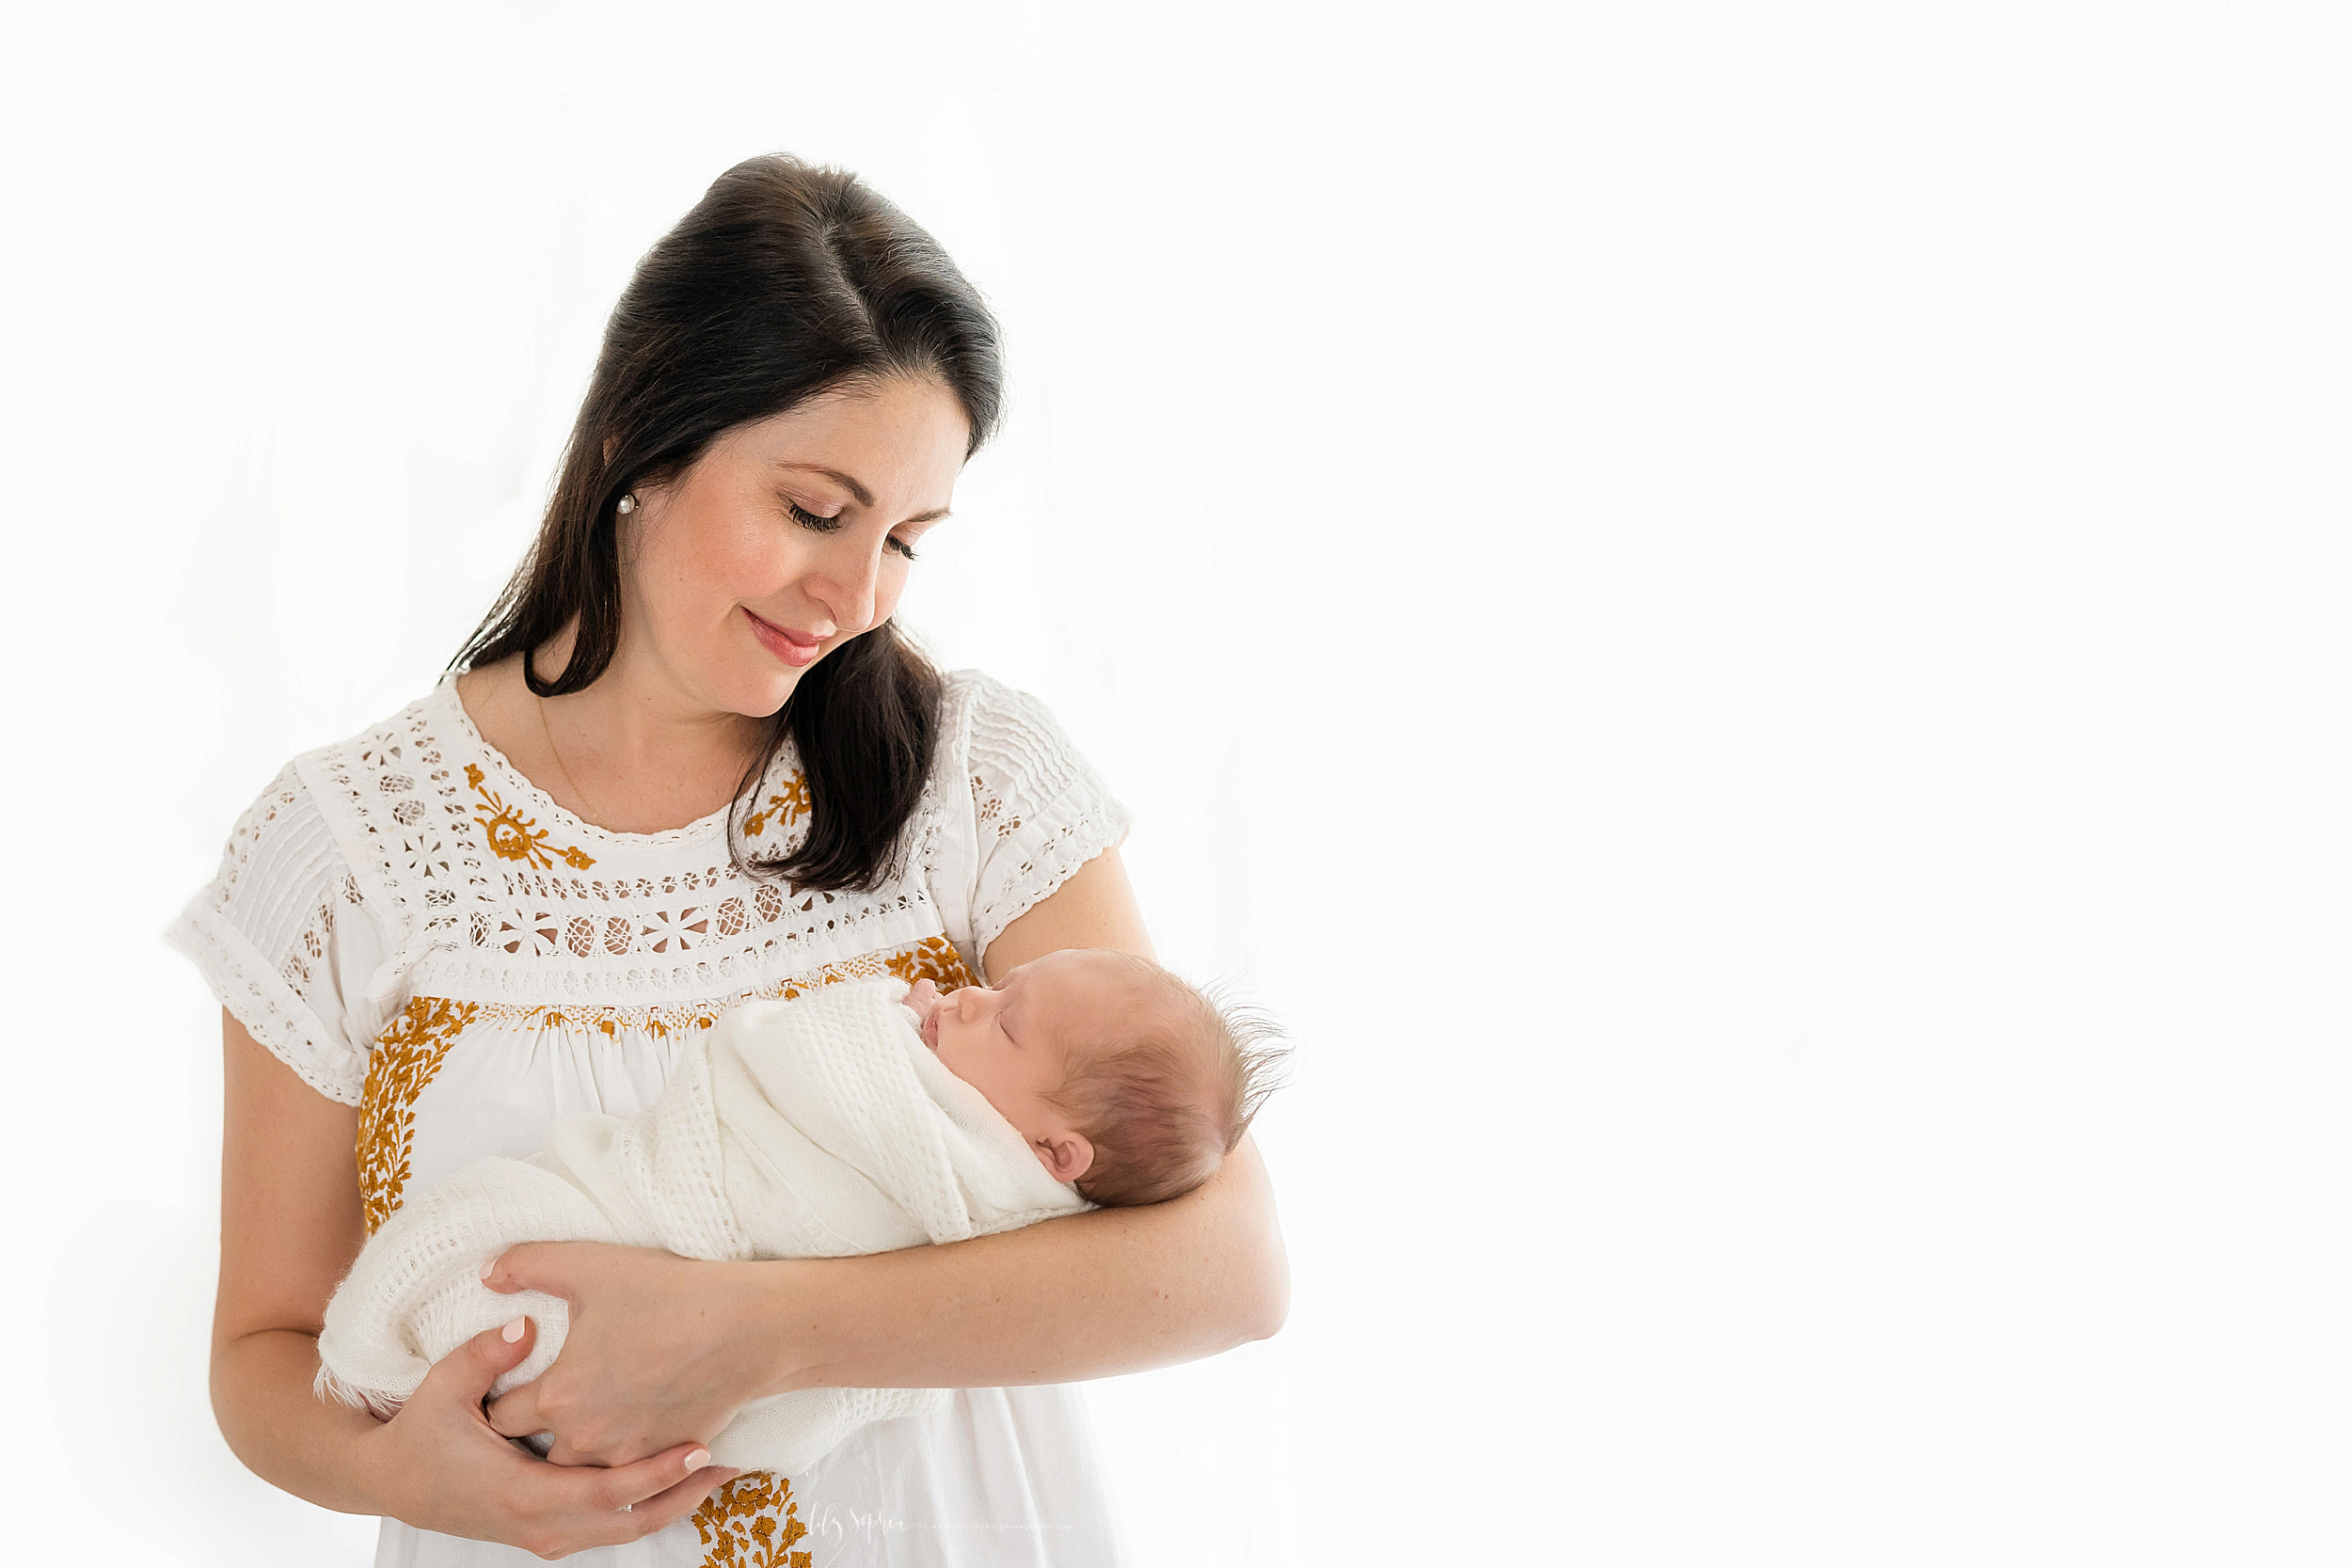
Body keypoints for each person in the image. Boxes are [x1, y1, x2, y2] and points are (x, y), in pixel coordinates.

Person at [168, 154, 1289, 1566]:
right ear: (644, 439)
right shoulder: (345, 849)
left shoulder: (975, 777)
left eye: (907, 541)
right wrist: (424, 1474)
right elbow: (261, 1352)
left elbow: (1226, 1266)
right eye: (817, 509)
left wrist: (748, 1336)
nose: (858, 595)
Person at [313, 951, 1285, 1481]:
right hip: (623, 1212)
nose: (966, 998)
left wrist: (872, 1024)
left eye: (1006, 1019)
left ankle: (428, 1348)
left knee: (500, 1263)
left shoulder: (1000, 1188)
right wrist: (391, 1473)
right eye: (997, 987)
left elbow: (1232, 1276)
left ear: (1054, 1156)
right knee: (496, 1249)